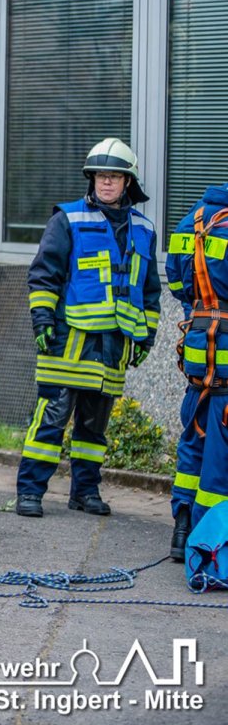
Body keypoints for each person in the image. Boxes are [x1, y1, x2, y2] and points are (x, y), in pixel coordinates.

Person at [15, 138, 160, 518]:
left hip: (113, 345)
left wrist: (147, 335)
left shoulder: (144, 230)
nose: (106, 183)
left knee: (94, 429)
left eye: (114, 176)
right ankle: (29, 492)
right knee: (52, 418)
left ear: (128, 182)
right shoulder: (67, 219)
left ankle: (85, 492)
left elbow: (149, 291)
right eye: (100, 176)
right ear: (91, 179)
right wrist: (43, 320)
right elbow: (44, 275)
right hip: (68, 341)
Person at [165, 179, 228, 557]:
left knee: (194, 439)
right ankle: (209, 546)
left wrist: (198, 312)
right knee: (220, 457)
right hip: (225, 354)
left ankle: (181, 530)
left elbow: (175, 281)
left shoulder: (188, 222)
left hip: (198, 353)